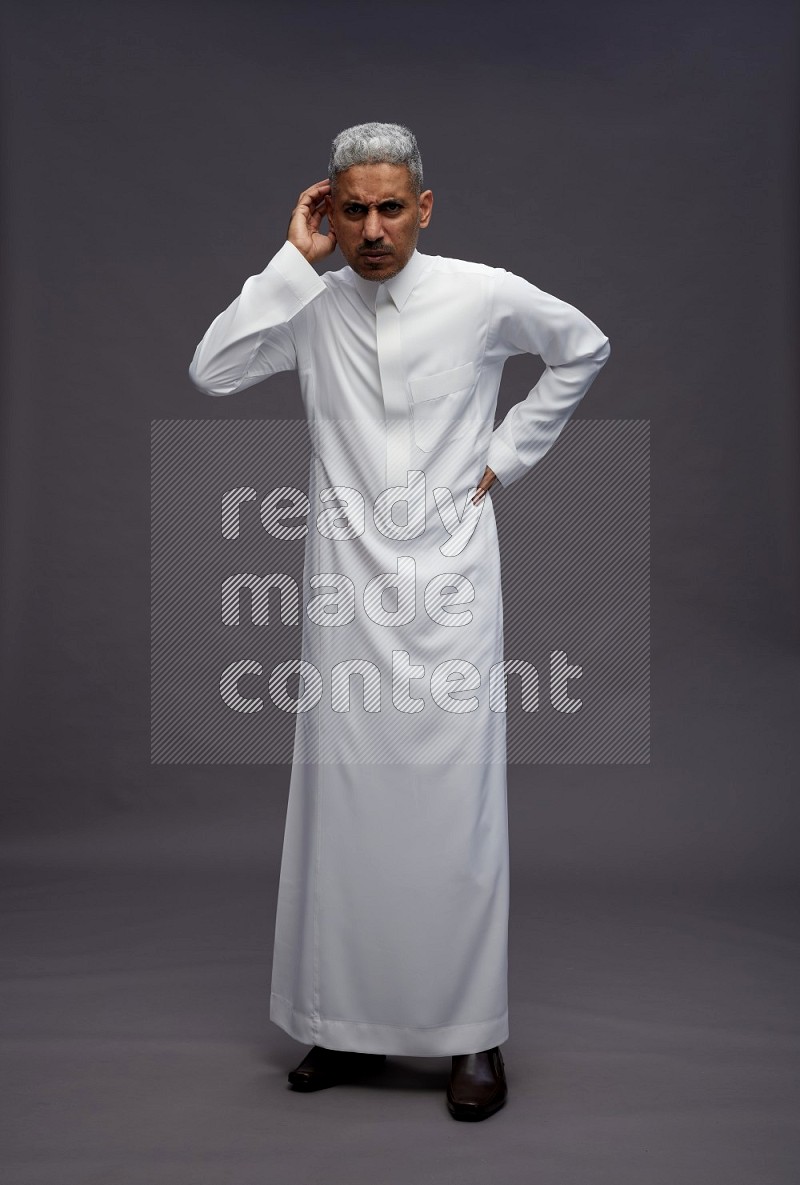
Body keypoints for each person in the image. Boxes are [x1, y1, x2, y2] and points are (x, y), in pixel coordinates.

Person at [189, 122, 610, 1121]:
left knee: (451, 813)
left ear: (422, 207)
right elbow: (211, 370)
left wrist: (502, 456)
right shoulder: (310, 304)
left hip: (452, 578)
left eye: (389, 207)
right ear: (327, 213)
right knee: (345, 809)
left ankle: (471, 1039)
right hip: (343, 582)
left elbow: (581, 347)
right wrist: (288, 264)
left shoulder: (480, 293)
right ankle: (344, 1027)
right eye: (351, 210)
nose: (371, 228)